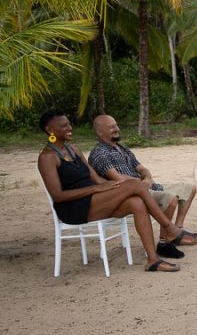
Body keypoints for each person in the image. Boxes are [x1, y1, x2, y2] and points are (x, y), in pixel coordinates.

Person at [37, 110, 183, 272]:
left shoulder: (73, 149)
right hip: (74, 207)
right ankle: (169, 228)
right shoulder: (47, 157)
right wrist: (97, 188)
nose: (70, 127)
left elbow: (98, 180)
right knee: (135, 184)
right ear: (50, 130)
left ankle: (153, 260)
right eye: (64, 126)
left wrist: (111, 186)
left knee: (136, 202)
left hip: (94, 199)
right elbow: (57, 196)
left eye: (69, 123)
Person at [88, 115, 197, 259]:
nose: (116, 129)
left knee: (189, 188)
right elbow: (117, 178)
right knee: (171, 198)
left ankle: (177, 231)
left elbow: (141, 168)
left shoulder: (122, 148)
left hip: (146, 186)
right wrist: (140, 183)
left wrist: (147, 177)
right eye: (111, 127)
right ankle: (164, 243)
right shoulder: (99, 153)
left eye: (116, 125)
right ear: (100, 132)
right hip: (130, 194)